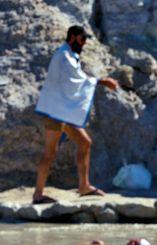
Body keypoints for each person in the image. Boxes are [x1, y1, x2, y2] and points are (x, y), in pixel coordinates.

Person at [32, 25, 119, 204]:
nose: (83, 44)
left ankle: (84, 186)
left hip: (65, 110)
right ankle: (38, 194)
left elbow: (76, 78)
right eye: (81, 40)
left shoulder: (71, 56)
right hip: (55, 111)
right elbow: (74, 80)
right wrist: (101, 81)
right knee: (50, 153)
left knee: (85, 142)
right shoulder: (62, 55)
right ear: (72, 37)